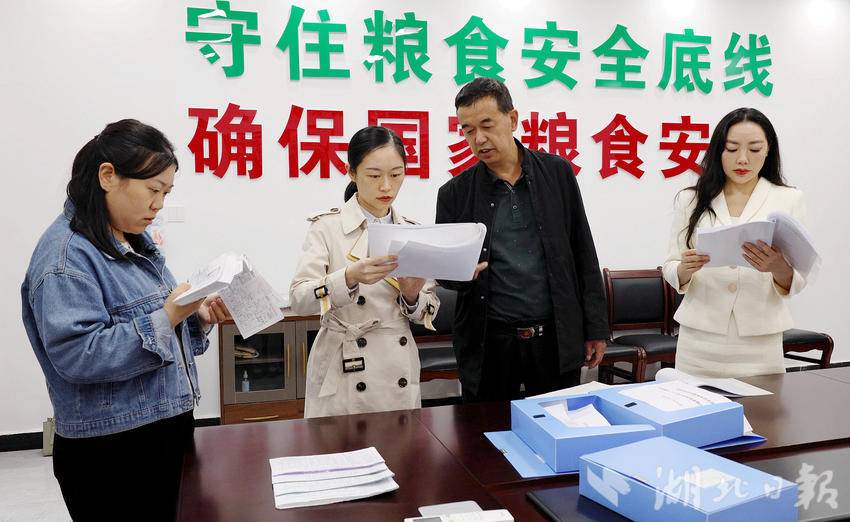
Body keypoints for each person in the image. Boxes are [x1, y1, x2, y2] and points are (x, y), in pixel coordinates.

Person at [21, 119, 228, 521]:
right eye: (153, 190)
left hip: (159, 432)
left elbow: (153, 326)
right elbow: (79, 356)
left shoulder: (128, 239)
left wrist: (195, 317)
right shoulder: (66, 258)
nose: (159, 204)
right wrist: (168, 314)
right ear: (107, 176)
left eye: (166, 193)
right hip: (112, 452)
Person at [436, 78, 608, 402]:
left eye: (487, 125)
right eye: (468, 130)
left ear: (513, 119)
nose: (478, 139)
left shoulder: (557, 173)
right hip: (490, 344)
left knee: (558, 422)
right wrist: (460, 272)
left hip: (554, 338)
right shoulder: (454, 194)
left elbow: (583, 251)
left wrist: (596, 327)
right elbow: (445, 275)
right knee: (488, 429)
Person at [290, 126, 439, 418]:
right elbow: (299, 299)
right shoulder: (326, 228)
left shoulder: (413, 232)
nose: (386, 186)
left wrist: (411, 296)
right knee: (342, 446)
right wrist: (348, 278)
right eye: (374, 175)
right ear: (352, 173)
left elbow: (427, 311)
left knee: (400, 445)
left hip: (396, 367)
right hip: (344, 364)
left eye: (396, 175)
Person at [662, 107, 807, 378]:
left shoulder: (788, 199)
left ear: (768, 150)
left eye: (754, 149)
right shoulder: (690, 199)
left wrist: (778, 266)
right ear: (718, 150)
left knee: (763, 406)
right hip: (700, 343)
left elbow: (799, 276)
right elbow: (671, 265)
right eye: (731, 149)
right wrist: (684, 269)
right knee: (695, 405)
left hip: (760, 343)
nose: (742, 159)